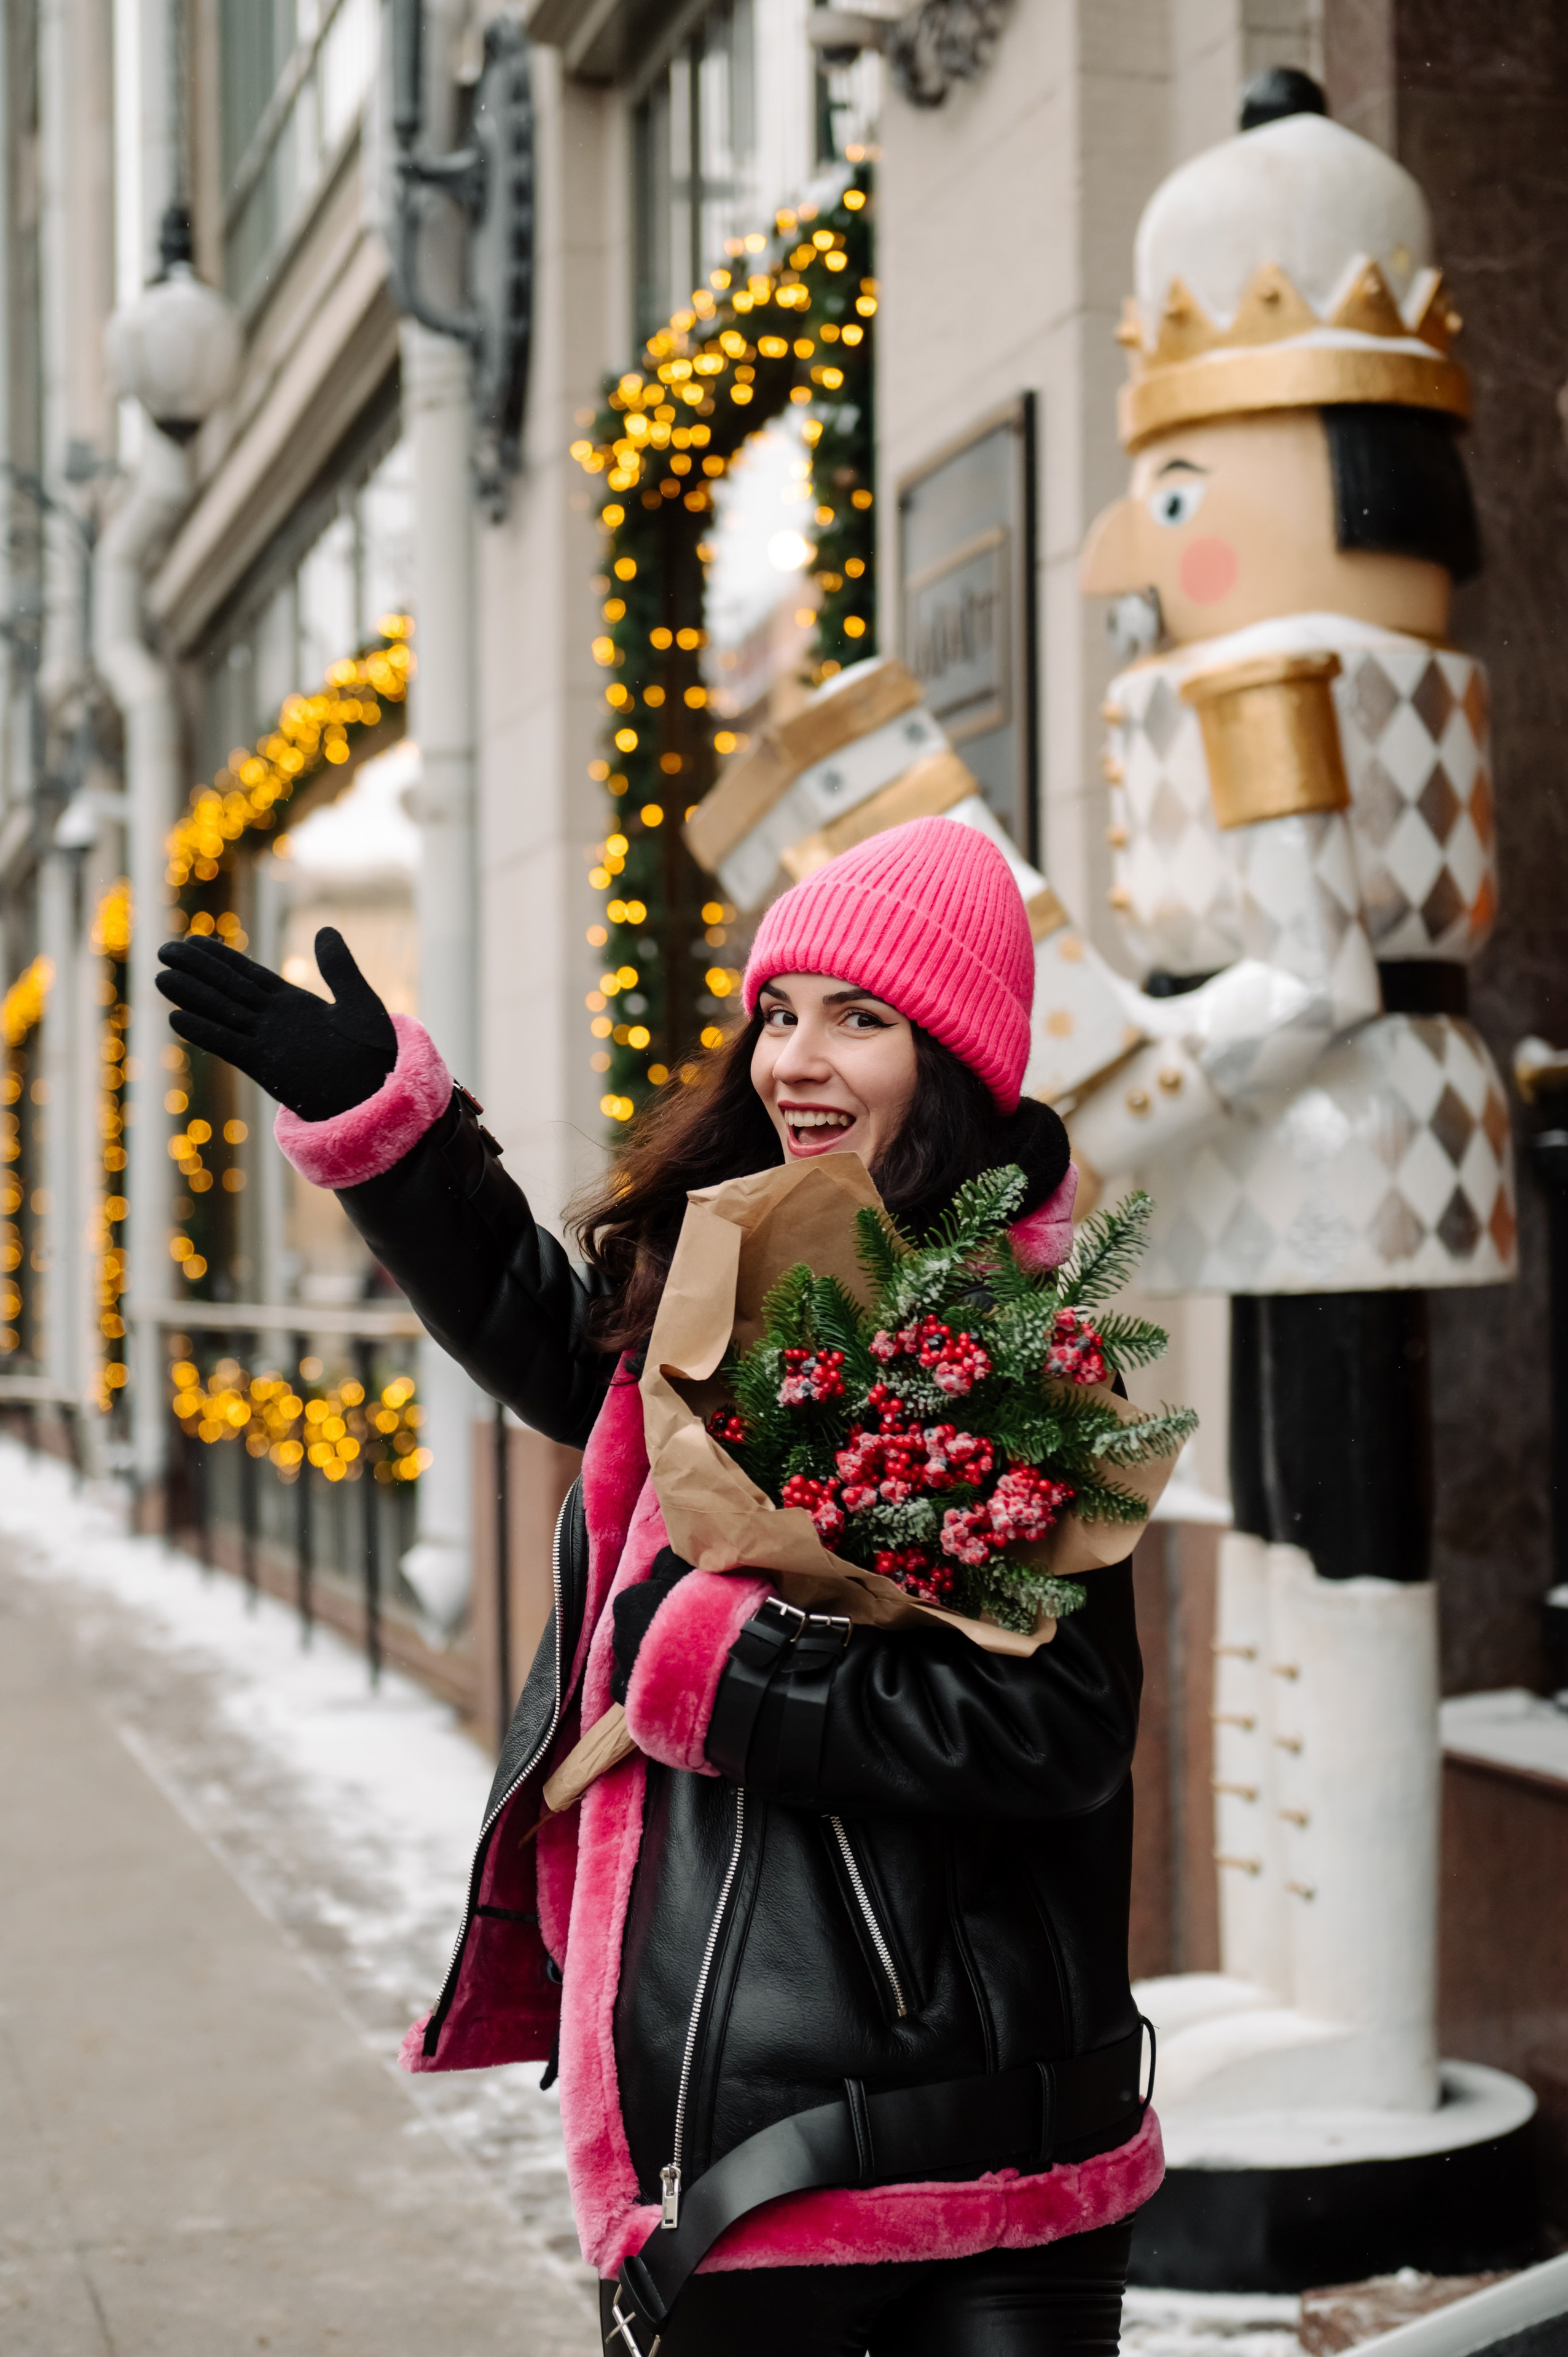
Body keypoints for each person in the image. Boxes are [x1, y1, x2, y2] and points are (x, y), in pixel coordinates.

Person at [157, 817, 1161, 2356]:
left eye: (860, 1018)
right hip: (748, 2124)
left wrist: (711, 1670)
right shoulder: (734, 1265)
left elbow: (1051, 1730)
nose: (795, 1061)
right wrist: (383, 1125)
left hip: (988, 2141)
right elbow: (550, 1333)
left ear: (954, 1058)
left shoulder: (1009, 1340)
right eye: (778, 1011)